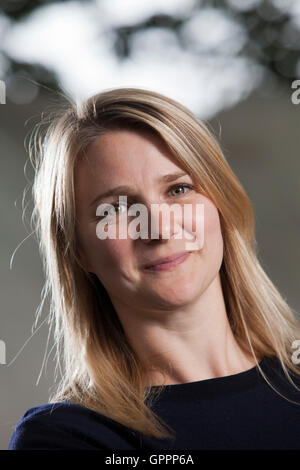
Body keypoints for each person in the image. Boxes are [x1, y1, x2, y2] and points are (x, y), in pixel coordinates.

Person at [8, 87, 300, 450]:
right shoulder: (66, 437)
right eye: (115, 209)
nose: (159, 229)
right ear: (77, 250)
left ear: (221, 205)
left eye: (178, 190)